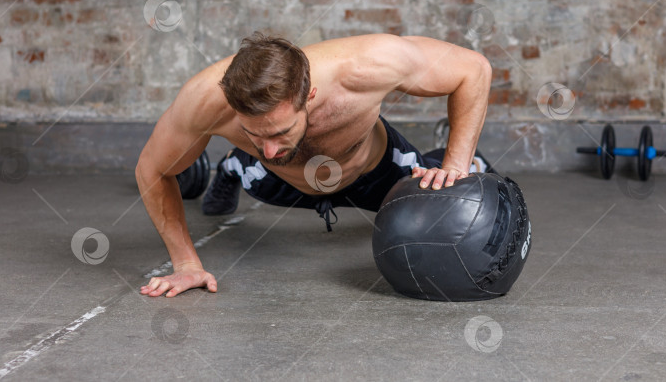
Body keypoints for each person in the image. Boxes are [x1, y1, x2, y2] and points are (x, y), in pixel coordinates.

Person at [135, 33, 495, 298]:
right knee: (255, 168)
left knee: (434, 189)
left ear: (308, 95)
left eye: (281, 131)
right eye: (254, 134)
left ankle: (471, 160)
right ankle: (234, 165)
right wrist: (185, 264)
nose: (271, 148)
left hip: (375, 172)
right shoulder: (204, 101)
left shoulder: (365, 66)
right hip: (281, 184)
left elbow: (473, 69)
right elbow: (151, 170)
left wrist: (457, 164)